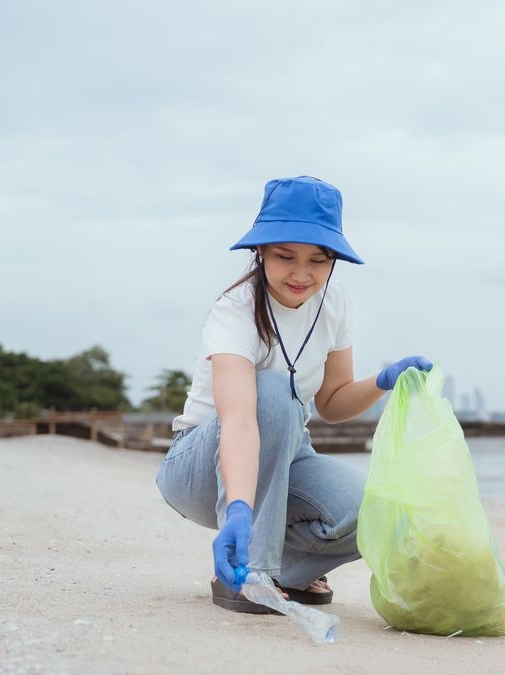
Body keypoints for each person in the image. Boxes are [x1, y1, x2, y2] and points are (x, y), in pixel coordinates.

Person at [156, 176, 432, 613]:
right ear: (261, 252)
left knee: (371, 512)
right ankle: (250, 568)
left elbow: (332, 403)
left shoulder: (333, 304)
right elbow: (240, 420)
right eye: (285, 256)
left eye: (318, 261)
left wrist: (383, 381)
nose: (302, 274)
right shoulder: (235, 309)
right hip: (202, 465)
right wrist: (239, 509)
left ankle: (281, 571)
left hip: (286, 455)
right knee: (270, 387)